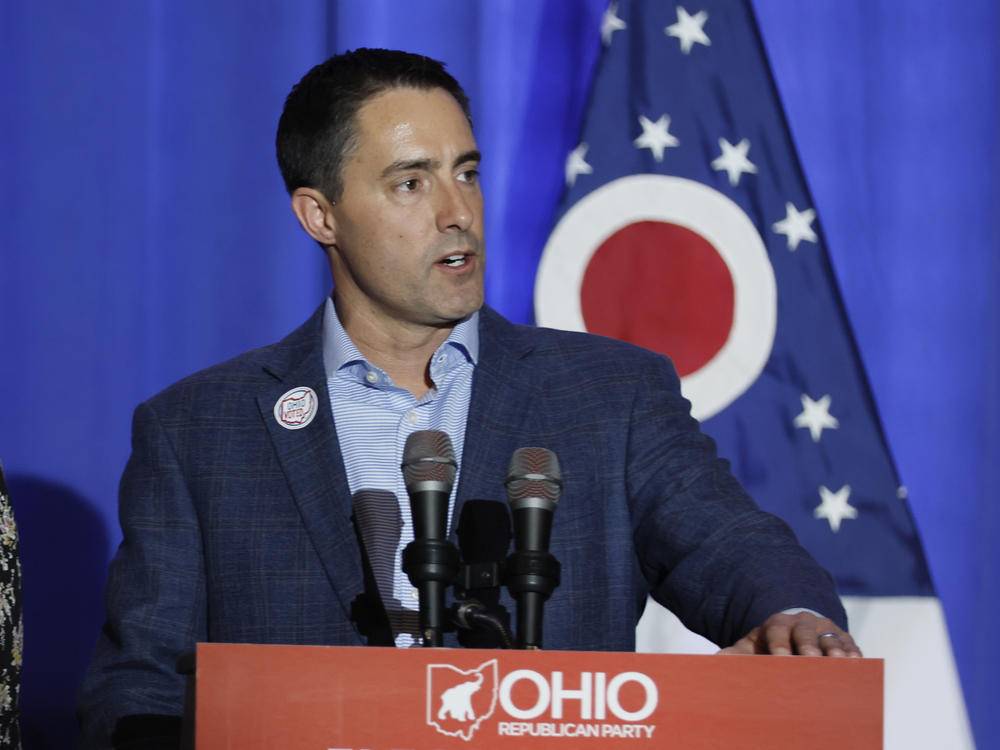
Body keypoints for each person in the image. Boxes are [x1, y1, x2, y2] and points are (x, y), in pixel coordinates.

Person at [77, 48, 859, 748]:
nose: (458, 213)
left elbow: (727, 543)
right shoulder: (199, 432)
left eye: (468, 172)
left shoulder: (609, 395)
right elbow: (136, 688)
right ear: (321, 216)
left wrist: (795, 617)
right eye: (411, 182)